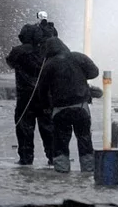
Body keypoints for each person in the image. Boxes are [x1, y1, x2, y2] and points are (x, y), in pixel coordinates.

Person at [38, 36, 99, 173]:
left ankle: (62, 172)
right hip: (81, 107)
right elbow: (95, 72)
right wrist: (81, 75)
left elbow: (42, 89)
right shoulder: (78, 57)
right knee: (84, 138)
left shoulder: (49, 64)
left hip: (60, 110)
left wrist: (46, 107)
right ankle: (88, 170)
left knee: (60, 141)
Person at [5, 24, 54, 166]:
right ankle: (53, 157)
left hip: (25, 97)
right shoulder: (46, 51)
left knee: (24, 128)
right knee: (48, 128)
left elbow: (10, 62)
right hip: (45, 97)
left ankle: (26, 158)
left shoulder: (18, 51)